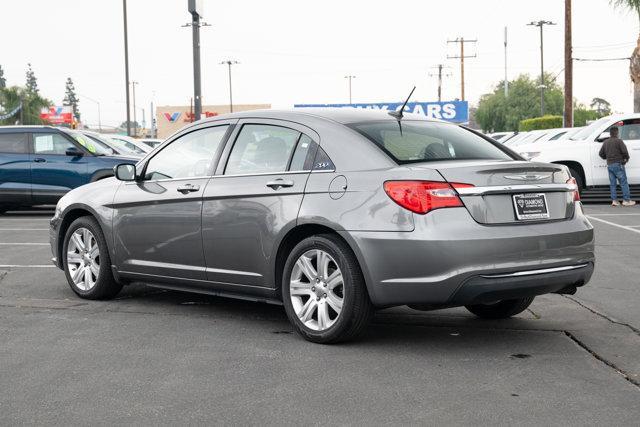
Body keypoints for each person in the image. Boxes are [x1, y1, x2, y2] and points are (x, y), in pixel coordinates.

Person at [599, 126, 636, 207]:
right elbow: (625, 152)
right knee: (623, 182)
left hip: (609, 165)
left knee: (613, 184)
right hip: (618, 164)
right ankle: (626, 200)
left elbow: (601, 154)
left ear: (610, 133)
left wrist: (607, 158)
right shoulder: (619, 141)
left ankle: (614, 201)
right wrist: (626, 160)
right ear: (617, 132)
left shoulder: (606, 142)